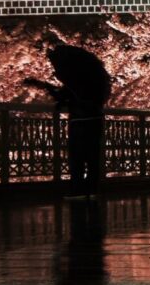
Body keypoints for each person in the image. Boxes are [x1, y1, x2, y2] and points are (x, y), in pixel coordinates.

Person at [27, 45, 111, 198]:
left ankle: (80, 189)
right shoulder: (89, 81)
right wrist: (46, 87)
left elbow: (64, 96)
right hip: (92, 119)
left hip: (81, 121)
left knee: (79, 156)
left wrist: (49, 89)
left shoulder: (78, 83)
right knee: (90, 156)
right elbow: (64, 95)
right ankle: (90, 189)